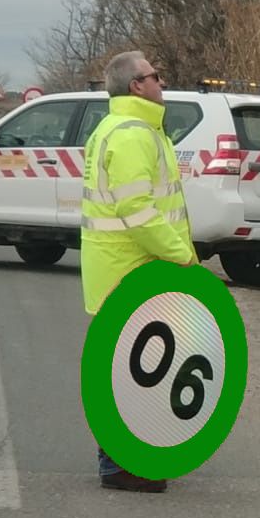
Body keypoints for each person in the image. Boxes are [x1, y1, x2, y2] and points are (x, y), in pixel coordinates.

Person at [80, 50, 199, 493]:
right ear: (136, 85)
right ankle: (121, 465)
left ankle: (126, 461)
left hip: (121, 269)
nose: (161, 81)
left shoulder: (128, 128)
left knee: (133, 368)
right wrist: (182, 256)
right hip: (132, 272)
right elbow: (139, 211)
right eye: (155, 75)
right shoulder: (132, 135)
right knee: (132, 372)